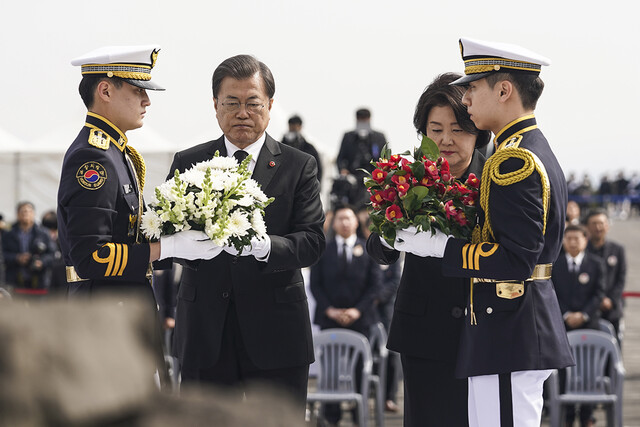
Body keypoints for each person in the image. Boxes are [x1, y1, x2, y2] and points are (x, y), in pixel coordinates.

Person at [382, 38, 575, 426]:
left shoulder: (511, 160)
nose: (466, 98)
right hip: (487, 329)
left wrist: (443, 247)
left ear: (503, 90)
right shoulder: (525, 148)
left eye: (472, 87)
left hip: (505, 329)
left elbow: (516, 259)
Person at [164, 55, 325, 415]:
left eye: (252, 103)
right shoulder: (188, 162)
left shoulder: (299, 165)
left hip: (277, 335)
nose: (242, 113)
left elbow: (313, 242)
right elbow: (167, 237)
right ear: (215, 106)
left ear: (269, 105)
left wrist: (266, 247)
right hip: (205, 333)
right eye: (231, 103)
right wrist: (184, 246)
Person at [367, 72, 490, 426]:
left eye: (458, 129)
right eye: (435, 130)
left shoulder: (496, 180)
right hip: (423, 332)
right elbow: (378, 247)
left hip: (483, 330)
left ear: (478, 130)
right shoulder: (407, 178)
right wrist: (391, 237)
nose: (446, 140)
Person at [58, 45, 218, 299]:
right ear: (106, 90)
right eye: (137, 90)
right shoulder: (93, 156)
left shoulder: (114, 152)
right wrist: (164, 248)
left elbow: (126, 235)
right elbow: (91, 256)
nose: (147, 100)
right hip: (103, 311)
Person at [310, 204, 383, 426]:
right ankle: (331, 416)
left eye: (348, 218)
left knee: (361, 366)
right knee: (330, 368)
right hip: (329, 317)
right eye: (340, 218)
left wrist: (357, 310)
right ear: (334, 223)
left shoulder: (368, 249)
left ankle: (358, 414)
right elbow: (316, 285)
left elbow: (375, 286)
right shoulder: (324, 250)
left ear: (356, 222)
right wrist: (329, 309)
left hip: (360, 318)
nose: (344, 222)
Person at [552, 224, 605, 427]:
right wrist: (566, 314)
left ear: (585, 240)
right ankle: (566, 417)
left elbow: (599, 293)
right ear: (563, 241)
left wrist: (583, 314)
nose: (573, 242)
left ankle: (586, 416)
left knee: (588, 372)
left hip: (588, 325)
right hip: (562, 325)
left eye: (577, 238)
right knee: (564, 372)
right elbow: (552, 292)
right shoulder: (555, 265)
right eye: (569, 238)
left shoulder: (596, 264)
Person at [585, 208, 627, 346]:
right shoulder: (582, 251)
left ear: (607, 226)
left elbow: (620, 279)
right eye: (594, 223)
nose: (598, 227)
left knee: (613, 347)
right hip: (587, 309)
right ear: (587, 227)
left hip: (611, 309)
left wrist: (610, 300)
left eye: (601, 223)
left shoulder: (617, 249)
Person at [2, 201, 56, 299]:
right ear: (17, 214)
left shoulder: (43, 233)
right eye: (23, 212)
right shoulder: (9, 234)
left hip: (39, 282)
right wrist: (17, 258)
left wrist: (41, 262)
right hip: (15, 281)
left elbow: (52, 254)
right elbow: (3, 254)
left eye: (28, 211)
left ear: (34, 214)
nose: (26, 214)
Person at [336, 108, 388, 207]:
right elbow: (340, 158)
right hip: (353, 177)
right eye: (360, 120)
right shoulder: (348, 137)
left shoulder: (379, 137)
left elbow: (385, 158)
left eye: (365, 120)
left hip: (373, 178)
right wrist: (343, 170)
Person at [281, 115, 323, 185]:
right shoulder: (280, 146)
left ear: (300, 127)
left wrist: (315, 186)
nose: (293, 129)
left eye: (295, 127)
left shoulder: (309, 148)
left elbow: (318, 169)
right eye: (291, 126)